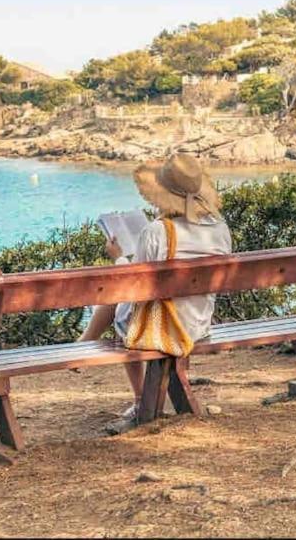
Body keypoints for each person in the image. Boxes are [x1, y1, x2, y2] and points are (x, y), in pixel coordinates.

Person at [79, 153, 232, 420]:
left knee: (120, 298)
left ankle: (141, 399)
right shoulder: (219, 227)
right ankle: (85, 341)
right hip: (198, 323)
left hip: (162, 328)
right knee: (125, 299)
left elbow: (134, 284)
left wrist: (117, 257)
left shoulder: (157, 231)